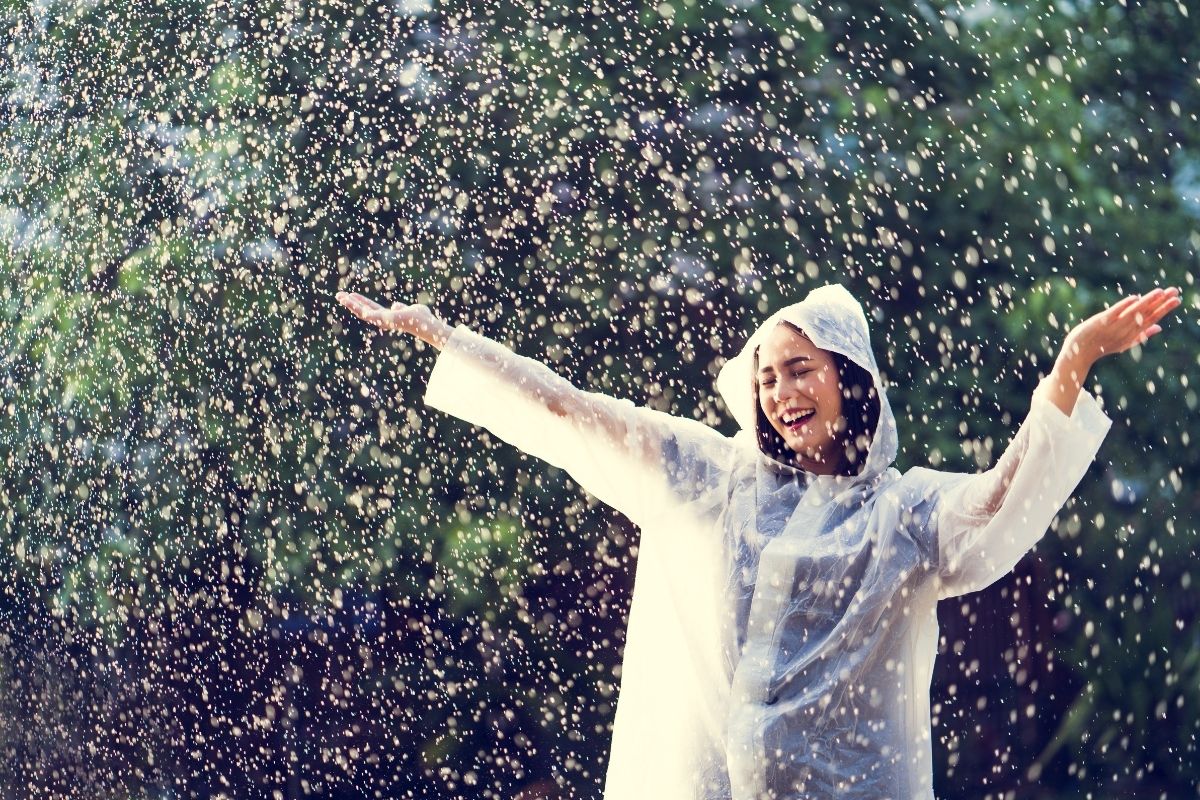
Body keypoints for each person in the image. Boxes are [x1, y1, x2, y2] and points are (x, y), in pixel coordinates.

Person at [336, 283, 1181, 799]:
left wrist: (1071, 361)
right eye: (766, 377)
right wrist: (454, 341)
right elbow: (577, 411)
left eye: (801, 369)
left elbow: (1001, 499)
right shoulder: (715, 479)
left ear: (850, 383)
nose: (780, 392)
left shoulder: (904, 514)